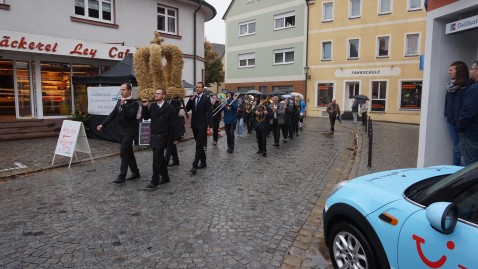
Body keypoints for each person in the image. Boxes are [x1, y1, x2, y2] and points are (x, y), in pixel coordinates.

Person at [97, 83, 140, 185]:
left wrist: (123, 105)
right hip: (121, 131)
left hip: (129, 131)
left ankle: (122, 176)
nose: (121, 91)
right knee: (129, 152)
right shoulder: (119, 101)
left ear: (129, 90)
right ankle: (135, 172)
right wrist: (103, 124)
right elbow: (113, 114)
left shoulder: (134, 103)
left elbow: (131, 116)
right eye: (121, 90)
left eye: (124, 90)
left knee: (123, 152)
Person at [141, 89, 179, 188]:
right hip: (154, 135)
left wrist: (176, 137)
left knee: (156, 158)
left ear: (164, 96)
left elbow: (174, 124)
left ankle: (154, 180)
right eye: (155, 93)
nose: (156, 95)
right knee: (160, 159)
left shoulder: (170, 108)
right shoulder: (153, 106)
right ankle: (165, 177)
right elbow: (145, 117)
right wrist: (144, 107)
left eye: (158, 93)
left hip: (164, 136)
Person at [444, 61, 470, 165]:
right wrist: (448, 114)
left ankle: (462, 172)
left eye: (451, 70)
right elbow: (447, 101)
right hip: (451, 121)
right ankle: (454, 170)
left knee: (462, 147)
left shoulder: (468, 85)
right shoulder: (449, 85)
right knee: (456, 146)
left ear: (458, 71)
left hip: (463, 123)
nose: (448, 72)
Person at [186, 82, 213, 175]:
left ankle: (194, 165)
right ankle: (204, 162)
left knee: (198, 145)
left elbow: (210, 113)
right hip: (194, 125)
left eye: (199, 87)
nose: (197, 89)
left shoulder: (206, 99)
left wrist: (211, 126)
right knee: (199, 144)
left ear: (202, 89)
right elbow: (187, 109)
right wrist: (190, 100)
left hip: (202, 125)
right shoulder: (193, 98)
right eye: (196, 87)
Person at [457, 60, 478, 166]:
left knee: (467, 167)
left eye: (472, 68)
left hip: (472, 135)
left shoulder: (475, 89)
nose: (470, 71)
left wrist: (459, 127)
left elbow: (468, 112)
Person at [165, 97, 182, 167]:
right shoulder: (167, 100)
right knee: (171, 144)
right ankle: (176, 160)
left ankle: (165, 161)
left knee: (169, 144)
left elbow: (175, 111)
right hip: (166, 125)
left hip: (173, 125)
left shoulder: (177, 100)